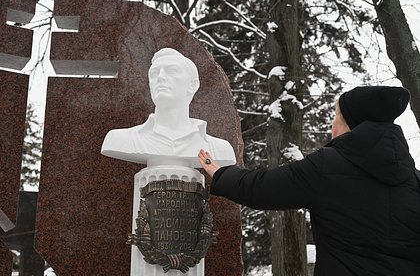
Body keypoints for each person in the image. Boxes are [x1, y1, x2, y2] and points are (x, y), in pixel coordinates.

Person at [198, 86, 420, 276]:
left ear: (350, 125)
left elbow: (263, 188)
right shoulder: (414, 179)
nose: (332, 126)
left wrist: (220, 174)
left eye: (336, 118)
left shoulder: (329, 166)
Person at [101, 48, 236, 167]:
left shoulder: (219, 149)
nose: (160, 77)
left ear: (193, 85)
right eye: (154, 73)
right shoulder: (121, 139)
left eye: (171, 71)